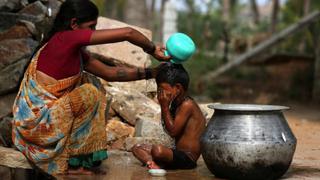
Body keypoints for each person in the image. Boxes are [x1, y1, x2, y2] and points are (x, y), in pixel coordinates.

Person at [11, 0, 170, 176]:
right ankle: (75, 163)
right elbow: (128, 33)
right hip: (37, 126)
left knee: (92, 83)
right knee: (89, 92)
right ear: (74, 24)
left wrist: (152, 73)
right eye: (91, 27)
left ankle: (80, 159)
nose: (93, 32)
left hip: (48, 121)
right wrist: (152, 48)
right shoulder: (64, 39)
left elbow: (110, 73)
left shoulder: (74, 52)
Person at [132, 63, 206, 170]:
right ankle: (152, 163)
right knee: (137, 148)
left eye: (162, 89)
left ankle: (158, 163)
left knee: (158, 151)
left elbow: (172, 132)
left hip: (187, 158)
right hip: (176, 154)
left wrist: (164, 106)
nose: (159, 93)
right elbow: (167, 127)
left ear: (177, 88)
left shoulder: (187, 105)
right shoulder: (176, 103)